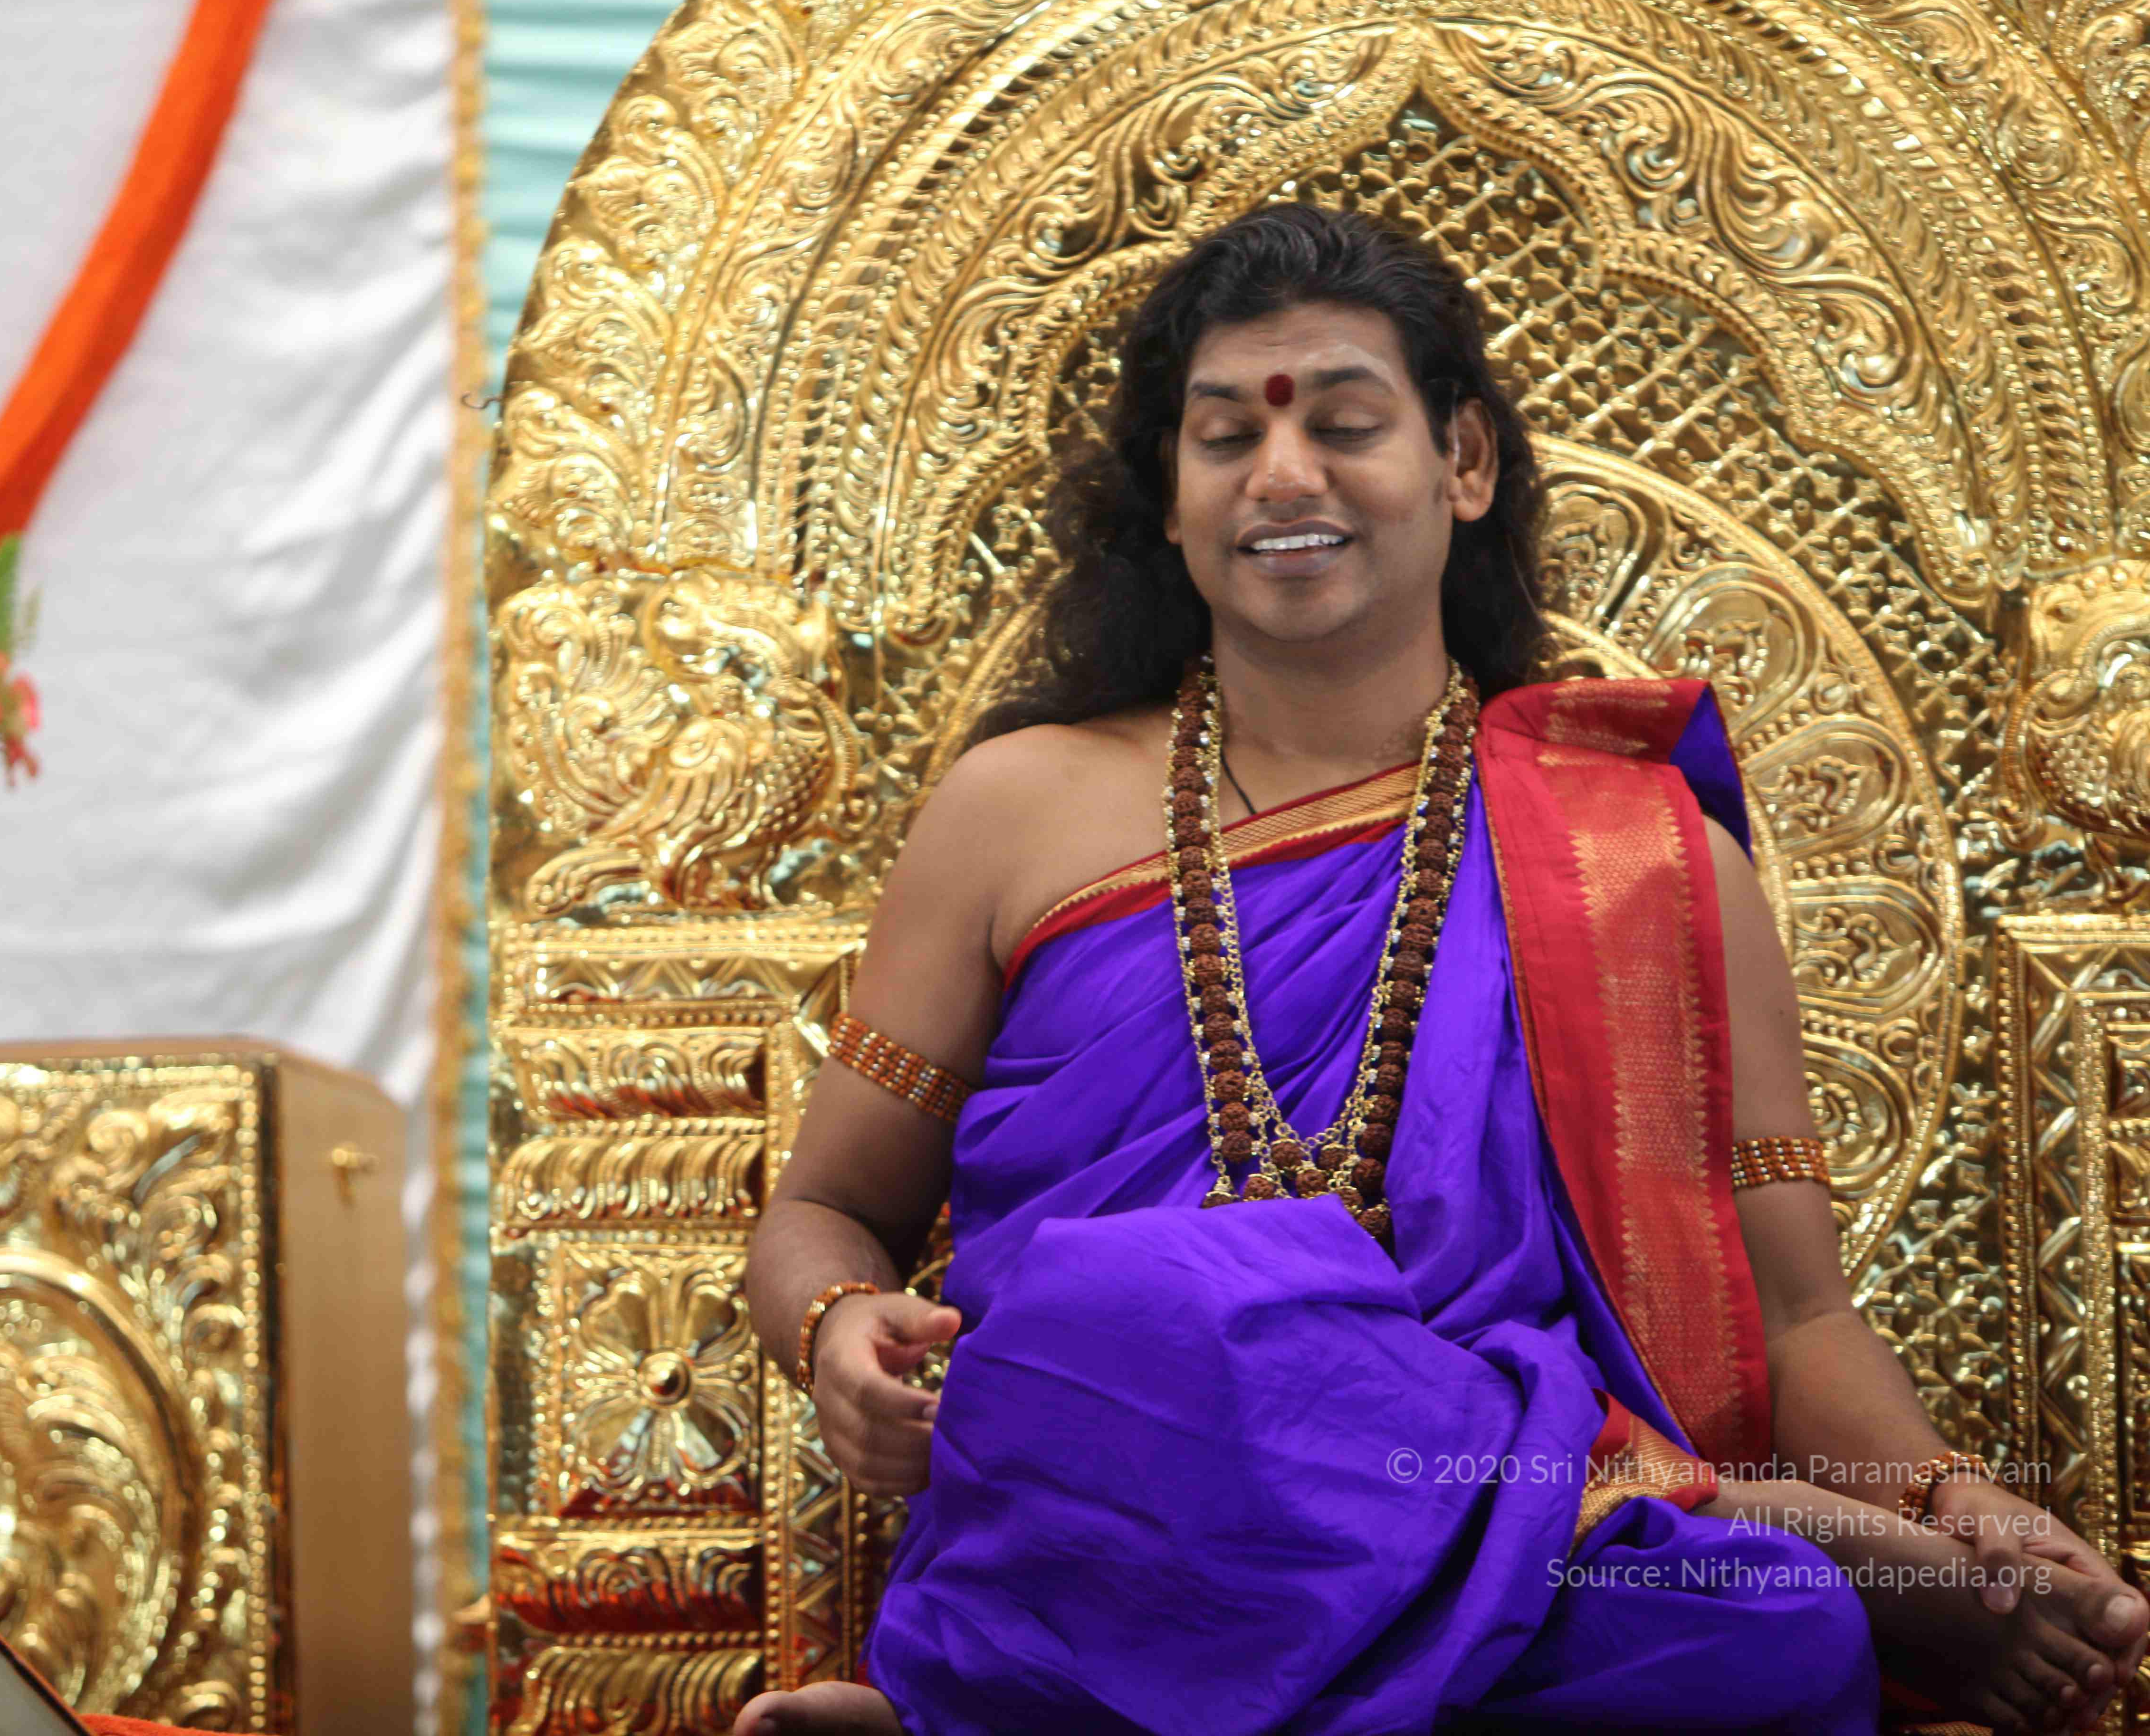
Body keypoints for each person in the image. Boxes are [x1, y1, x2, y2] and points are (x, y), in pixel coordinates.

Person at [731, 203, 2150, 1736]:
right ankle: (1672, 1500)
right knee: (1139, 1305)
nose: (1285, 477)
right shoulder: (1016, 808)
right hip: (1125, 1514)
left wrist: (1942, 1497)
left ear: (1464, 462)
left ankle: (976, 1721)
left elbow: (1797, 1317)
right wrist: (838, 1326)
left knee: (1779, 1638)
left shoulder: (1645, 855)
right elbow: (825, 1211)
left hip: (1501, 1565)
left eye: (1345, 425)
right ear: (1170, 498)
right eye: (1226, 438)